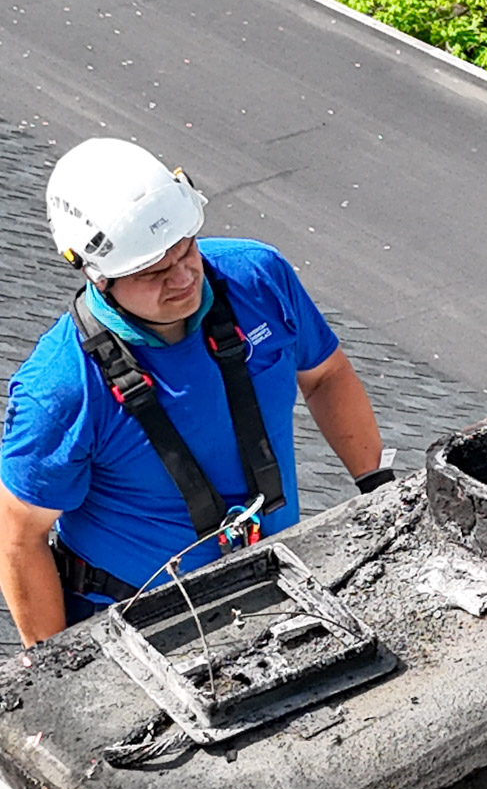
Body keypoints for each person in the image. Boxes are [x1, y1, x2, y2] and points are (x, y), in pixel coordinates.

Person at [0, 138, 393, 648]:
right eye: (153, 271)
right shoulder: (62, 390)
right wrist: (58, 678)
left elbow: (326, 376)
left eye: (186, 248)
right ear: (96, 274)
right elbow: (19, 538)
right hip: (139, 628)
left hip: (278, 591)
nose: (184, 276)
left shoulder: (258, 278)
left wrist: (377, 489)